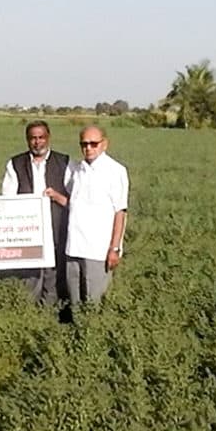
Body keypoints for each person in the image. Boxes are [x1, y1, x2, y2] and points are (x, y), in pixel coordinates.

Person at [1, 120, 69, 305]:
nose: (37, 142)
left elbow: (73, 199)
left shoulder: (65, 162)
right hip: (27, 232)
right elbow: (8, 199)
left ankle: (50, 316)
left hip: (55, 228)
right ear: (27, 140)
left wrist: (56, 196)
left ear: (48, 138)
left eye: (41, 137)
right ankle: (29, 315)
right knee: (29, 278)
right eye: (33, 138)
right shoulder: (15, 164)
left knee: (53, 276)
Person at [61, 125, 128, 305]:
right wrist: (54, 196)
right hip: (73, 248)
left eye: (93, 143)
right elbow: (73, 204)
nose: (88, 148)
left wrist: (114, 248)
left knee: (94, 303)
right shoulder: (76, 170)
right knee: (75, 302)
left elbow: (120, 212)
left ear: (104, 144)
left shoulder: (116, 171)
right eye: (84, 144)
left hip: (98, 250)